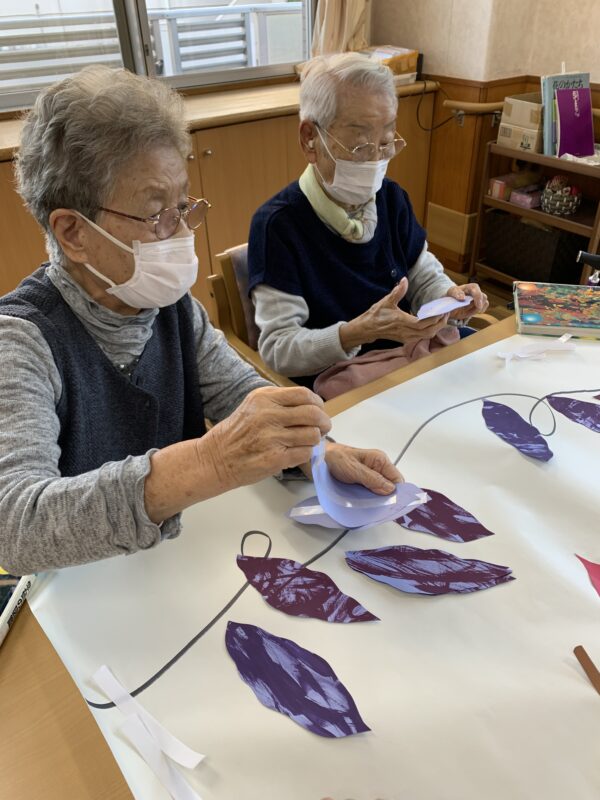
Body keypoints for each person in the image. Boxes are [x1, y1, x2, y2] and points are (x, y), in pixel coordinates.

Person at [0, 66, 403, 576]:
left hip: (177, 567)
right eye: (156, 215)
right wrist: (210, 461)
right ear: (73, 233)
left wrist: (318, 452)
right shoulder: (21, 340)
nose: (180, 233)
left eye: (182, 206)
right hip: (83, 592)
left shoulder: (169, 306)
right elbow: (15, 525)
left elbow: (237, 391)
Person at [248, 53, 489, 392]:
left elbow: (422, 274)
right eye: (359, 146)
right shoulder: (278, 226)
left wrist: (450, 296)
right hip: (347, 381)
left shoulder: (391, 198)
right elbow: (279, 349)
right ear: (310, 139)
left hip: (411, 359)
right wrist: (357, 333)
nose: (375, 160)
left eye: (386, 143)